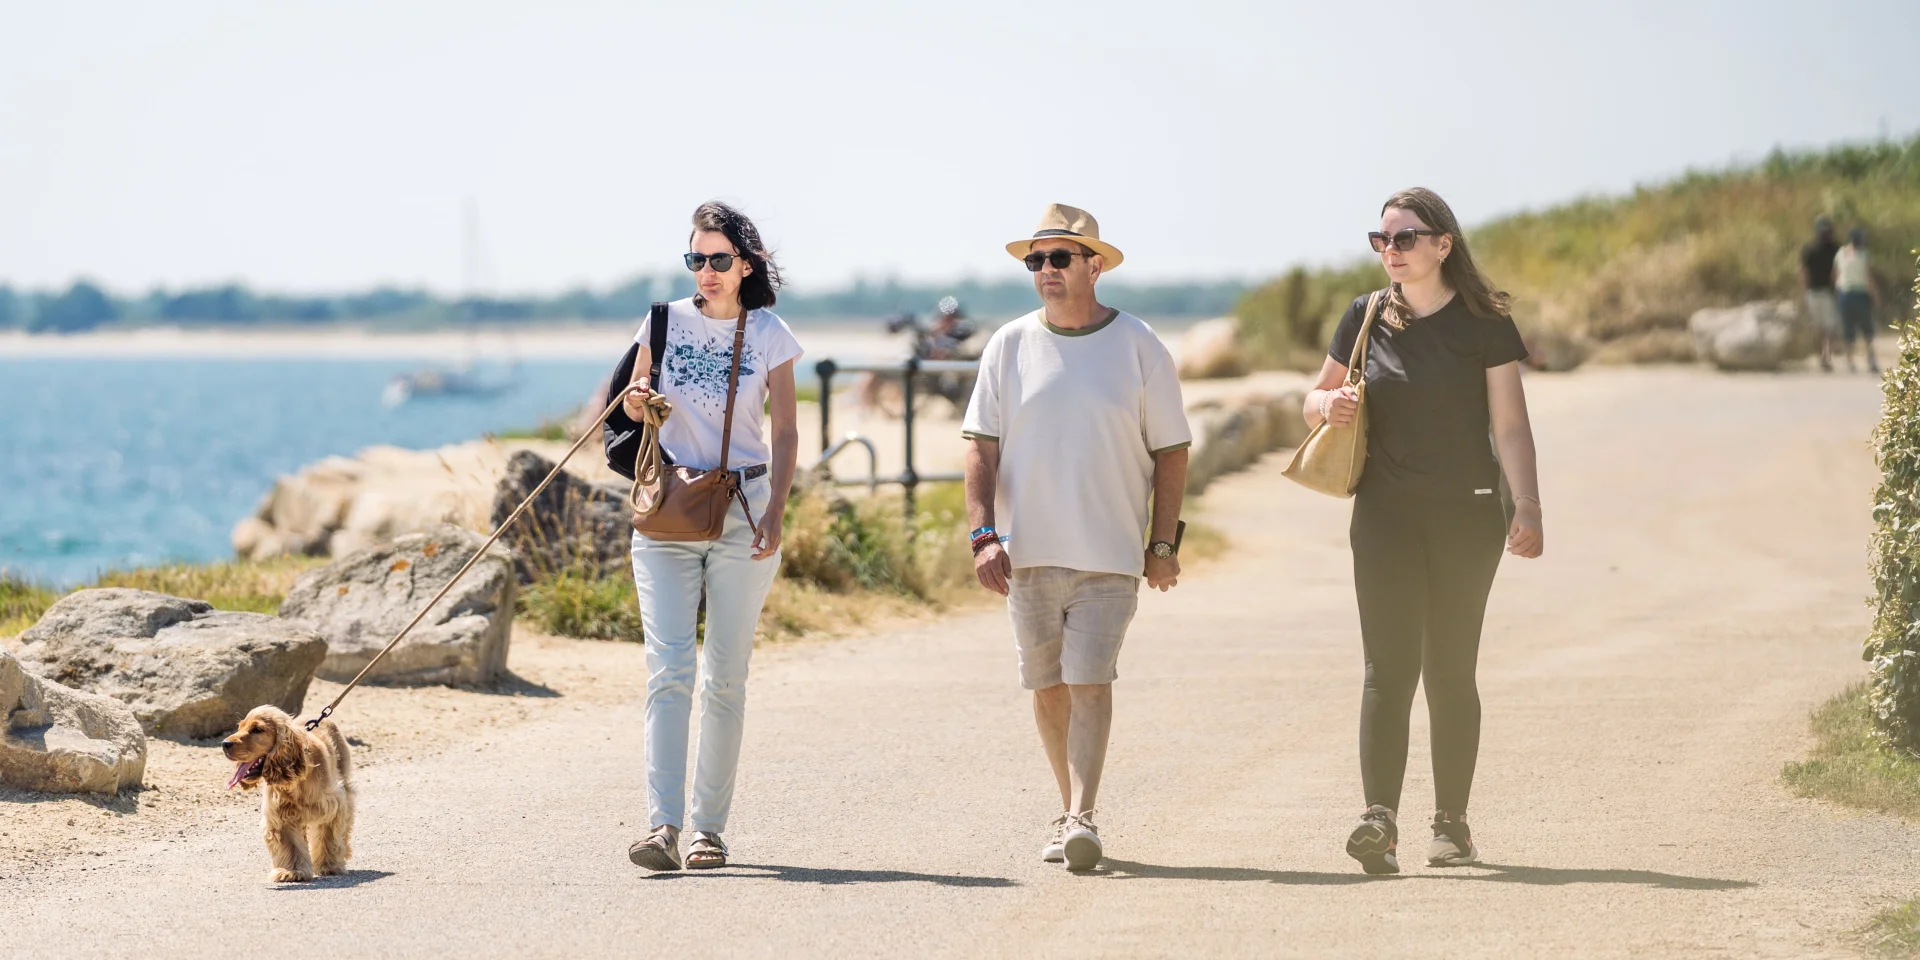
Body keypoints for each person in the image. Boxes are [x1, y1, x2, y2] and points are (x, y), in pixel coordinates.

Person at [1303, 188, 1544, 875]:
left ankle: (1451, 824)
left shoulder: (1484, 324)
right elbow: (1309, 399)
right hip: (1382, 515)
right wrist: (1332, 403)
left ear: (1443, 244)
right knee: (1387, 668)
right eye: (1382, 241)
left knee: (1448, 668)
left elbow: (1511, 426)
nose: (1392, 253)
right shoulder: (1366, 315)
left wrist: (1527, 506)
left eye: (1405, 239)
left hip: (1468, 515)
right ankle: (1378, 819)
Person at [962, 203, 1192, 872]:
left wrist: (1163, 544)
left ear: (1096, 265)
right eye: (1036, 260)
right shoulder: (1007, 344)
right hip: (1027, 554)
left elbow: (1172, 450)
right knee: (1047, 686)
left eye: (1059, 258)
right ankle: (1068, 813)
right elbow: (980, 445)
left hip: (1110, 554)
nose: (1045, 271)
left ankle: (1084, 814)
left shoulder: (1140, 345)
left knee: (1090, 678)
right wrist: (983, 535)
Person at [623, 201, 803, 872]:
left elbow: (785, 432)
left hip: (744, 509)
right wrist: (639, 397)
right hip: (669, 506)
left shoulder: (770, 335)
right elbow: (639, 392)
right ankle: (661, 826)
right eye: (696, 259)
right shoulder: (663, 320)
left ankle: (708, 830)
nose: (706, 272)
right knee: (669, 672)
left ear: (744, 265)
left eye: (719, 260)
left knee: (725, 677)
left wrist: (778, 510)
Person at [1834, 226, 1880, 374]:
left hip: (1845, 294)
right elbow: (1869, 277)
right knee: (1867, 329)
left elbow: (1835, 274)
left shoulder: (1841, 253)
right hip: (1860, 293)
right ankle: (1870, 359)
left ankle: (1850, 362)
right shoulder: (1863, 255)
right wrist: (1875, 296)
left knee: (1849, 329)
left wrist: (1837, 291)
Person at [1801, 216, 1844, 372]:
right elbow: (1837, 272)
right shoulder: (1835, 248)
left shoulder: (1810, 248)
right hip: (1823, 292)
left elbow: (1803, 272)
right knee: (1825, 326)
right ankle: (1824, 355)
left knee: (1825, 326)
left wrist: (1805, 290)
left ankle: (1825, 355)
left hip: (1819, 292)